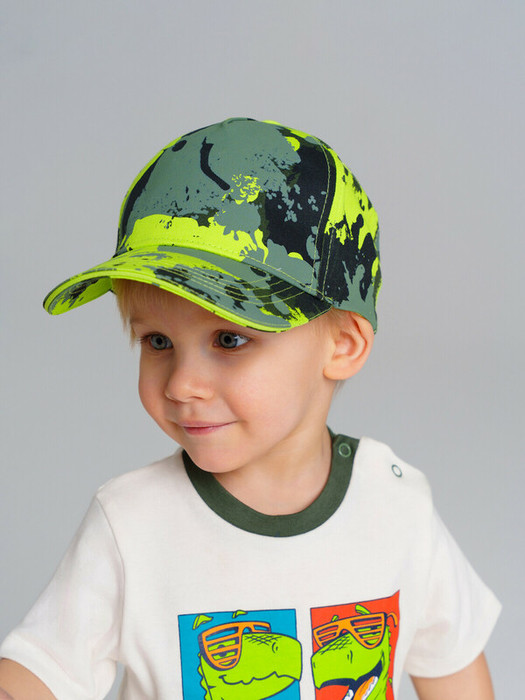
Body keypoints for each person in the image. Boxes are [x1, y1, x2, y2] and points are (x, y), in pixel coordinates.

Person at [0, 118, 500, 700]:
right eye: (157, 341)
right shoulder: (134, 523)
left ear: (343, 345)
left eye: (229, 340)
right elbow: (35, 676)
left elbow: (454, 669)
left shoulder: (396, 504)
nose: (182, 384)